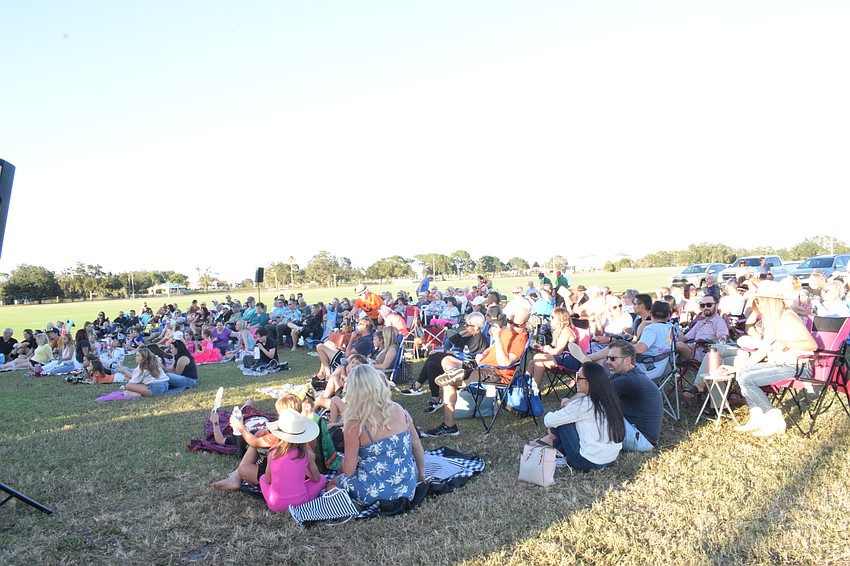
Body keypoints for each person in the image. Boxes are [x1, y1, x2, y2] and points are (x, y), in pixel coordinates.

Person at [424, 307, 530, 437]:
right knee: (446, 359)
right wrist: (483, 354)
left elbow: (504, 363)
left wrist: (498, 339)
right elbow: (491, 349)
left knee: (449, 383)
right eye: (509, 321)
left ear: (525, 324)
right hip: (482, 366)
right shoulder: (507, 331)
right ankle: (453, 373)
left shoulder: (520, 338)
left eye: (516, 324)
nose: (511, 326)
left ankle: (449, 426)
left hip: (497, 373)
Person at [329, 365, 426, 506]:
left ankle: (349, 506)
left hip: (375, 492)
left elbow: (349, 471)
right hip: (407, 488)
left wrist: (346, 460)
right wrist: (421, 474)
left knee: (332, 483)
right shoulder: (399, 409)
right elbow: (416, 444)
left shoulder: (355, 423)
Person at [731, 281, 818, 436]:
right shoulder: (772, 320)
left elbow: (812, 345)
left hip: (798, 366)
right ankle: (757, 417)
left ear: (770, 301)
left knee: (748, 379)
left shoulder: (789, 317)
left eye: (760, 300)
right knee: (742, 373)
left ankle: (774, 417)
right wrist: (736, 368)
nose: (758, 304)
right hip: (780, 364)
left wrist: (786, 343)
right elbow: (763, 350)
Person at [543, 361, 625, 471]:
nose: (575, 381)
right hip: (610, 459)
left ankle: (559, 456)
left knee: (563, 421)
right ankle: (557, 452)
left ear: (589, 382)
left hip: (587, 462)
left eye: (578, 378)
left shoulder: (583, 404)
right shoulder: (611, 400)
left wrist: (551, 425)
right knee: (565, 418)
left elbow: (549, 420)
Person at [400, 312, 489, 411]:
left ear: (476, 327)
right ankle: (435, 399)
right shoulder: (470, 335)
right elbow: (452, 340)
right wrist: (464, 332)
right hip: (460, 361)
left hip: (469, 366)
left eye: (467, 325)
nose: (465, 326)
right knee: (431, 364)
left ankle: (417, 386)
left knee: (435, 355)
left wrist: (444, 351)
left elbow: (464, 354)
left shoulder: (479, 338)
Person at [258, 409, 326, 512]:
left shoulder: (272, 453)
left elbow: (268, 480)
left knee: (262, 478)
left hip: (275, 504)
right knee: (322, 479)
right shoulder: (306, 453)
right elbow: (316, 478)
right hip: (300, 502)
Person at [603, 341, 663, 451]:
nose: (607, 362)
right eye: (607, 358)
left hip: (641, 440)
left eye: (612, 358)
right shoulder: (623, 375)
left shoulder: (629, 379)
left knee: (595, 411)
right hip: (638, 434)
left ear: (627, 360)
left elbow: (594, 397)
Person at [528, 307, 580, 390]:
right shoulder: (560, 330)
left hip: (570, 360)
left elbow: (558, 352)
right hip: (562, 358)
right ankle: (528, 388)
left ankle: (534, 390)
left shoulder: (566, 330)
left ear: (560, 319)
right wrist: (542, 348)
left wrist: (546, 349)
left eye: (552, 317)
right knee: (533, 362)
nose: (550, 319)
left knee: (538, 357)